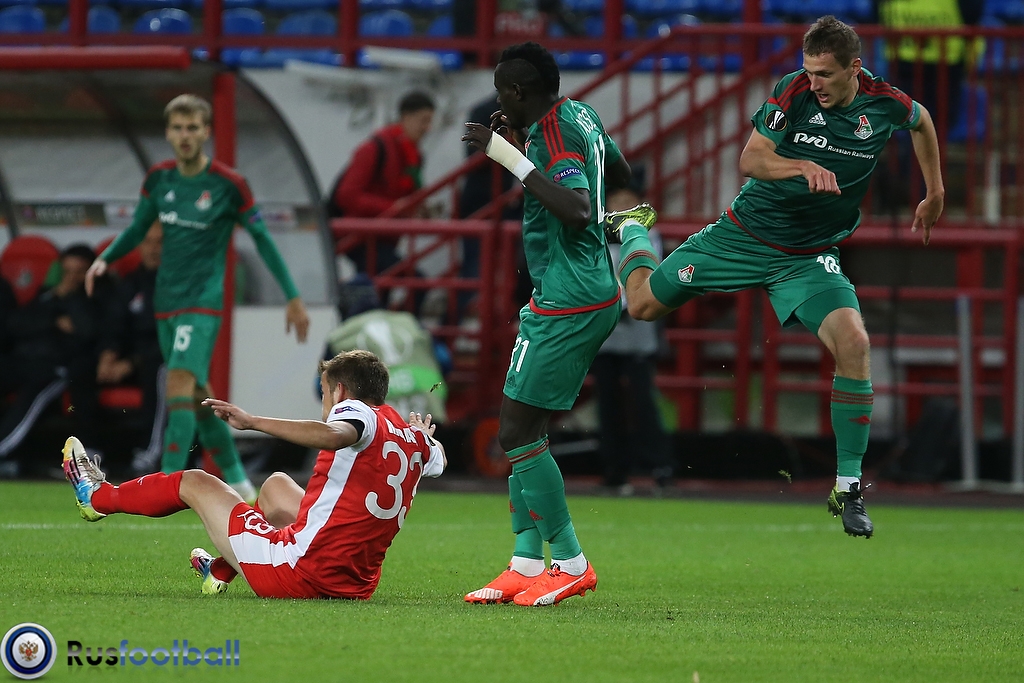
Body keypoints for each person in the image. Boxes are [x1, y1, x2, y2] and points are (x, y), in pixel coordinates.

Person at [606, 16, 945, 538]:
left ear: (855, 68)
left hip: (806, 256)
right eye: (809, 71)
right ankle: (632, 229)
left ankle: (848, 488)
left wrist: (935, 191)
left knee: (854, 343)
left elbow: (922, 121)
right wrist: (801, 166)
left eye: (825, 74)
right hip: (742, 236)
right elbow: (751, 158)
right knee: (642, 306)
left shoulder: (884, 103)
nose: (815, 82)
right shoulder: (794, 91)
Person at [460, 41, 638, 606]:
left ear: (517, 91)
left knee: (514, 432)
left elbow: (578, 210)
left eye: (501, 92)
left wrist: (507, 156)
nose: (498, 103)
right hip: (580, 289)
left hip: (569, 297)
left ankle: (570, 562)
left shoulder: (553, 133)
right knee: (524, 433)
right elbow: (621, 170)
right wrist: (524, 146)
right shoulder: (581, 114)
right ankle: (525, 563)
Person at [62, 350, 446, 600]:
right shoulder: (412, 437)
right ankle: (220, 569)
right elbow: (438, 461)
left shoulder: (356, 413)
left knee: (194, 481)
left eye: (325, 393)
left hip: (300, 574)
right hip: (354, 584)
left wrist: (252, 422)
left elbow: (335, 434)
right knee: (276, 486)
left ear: (341, 391)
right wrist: (424, 437)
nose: (325, 403)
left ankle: (97, 497)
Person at [84, 94, 311, 504]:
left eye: (193, 127)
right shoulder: (159, 180)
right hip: (166, 303)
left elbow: (262, 238)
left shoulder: (229, 185)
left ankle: (168, 487)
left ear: (206, 132)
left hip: (203, 304)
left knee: (177, 382)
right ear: (168, 133)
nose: (185, 135)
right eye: (178, 128)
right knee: (197, 397)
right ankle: (240, 484)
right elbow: (138, 229)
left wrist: (293, 297)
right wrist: (105, 259)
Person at [593, 175, 674, 496]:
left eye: (629, 201)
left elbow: (652, 274)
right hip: (605, 335)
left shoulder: (648, 235)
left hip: (638, 333)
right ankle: (614, 471)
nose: (622, 207)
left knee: (643, 402)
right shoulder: (596, 234)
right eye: (617, 201)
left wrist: (623, 304)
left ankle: (659, 467)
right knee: (607, 404)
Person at [0, 244, 103, 471]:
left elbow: (87, 332)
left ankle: (3, 449)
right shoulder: (47, 295)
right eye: (67, 271)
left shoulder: (94, 298)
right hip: (23, 359)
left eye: (79, 272)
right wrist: (52, 320)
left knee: (34, 393)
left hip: (57, 367)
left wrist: (70, 301)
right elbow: (14, 325)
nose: (71, 278)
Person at [329, 91, 436, 277]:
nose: (428, 128)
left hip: (382, 238)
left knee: (383, 283)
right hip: (360, 236)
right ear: (405, 117)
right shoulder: (375, 148)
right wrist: (393, 208)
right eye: (424, 121)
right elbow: (347, 195)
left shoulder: (414, 157)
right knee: (414, 281)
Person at [324, 275, 448, 424]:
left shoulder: (339, 337)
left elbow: (323, 387)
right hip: (427, 411)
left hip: (379, 423)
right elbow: (445, 360)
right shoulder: (409, 322)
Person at [95, 223, 165, 472]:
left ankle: (149, 451)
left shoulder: (177, 286)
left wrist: (131, 363)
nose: (154, 249)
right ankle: (89, 449)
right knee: (80, 366)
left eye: (160, 242)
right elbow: (113, 326)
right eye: (148, 242)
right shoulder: (129, 284)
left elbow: (169, 336)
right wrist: (108, 356)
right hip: (125, 359)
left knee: (159, 370)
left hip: (158, 357)